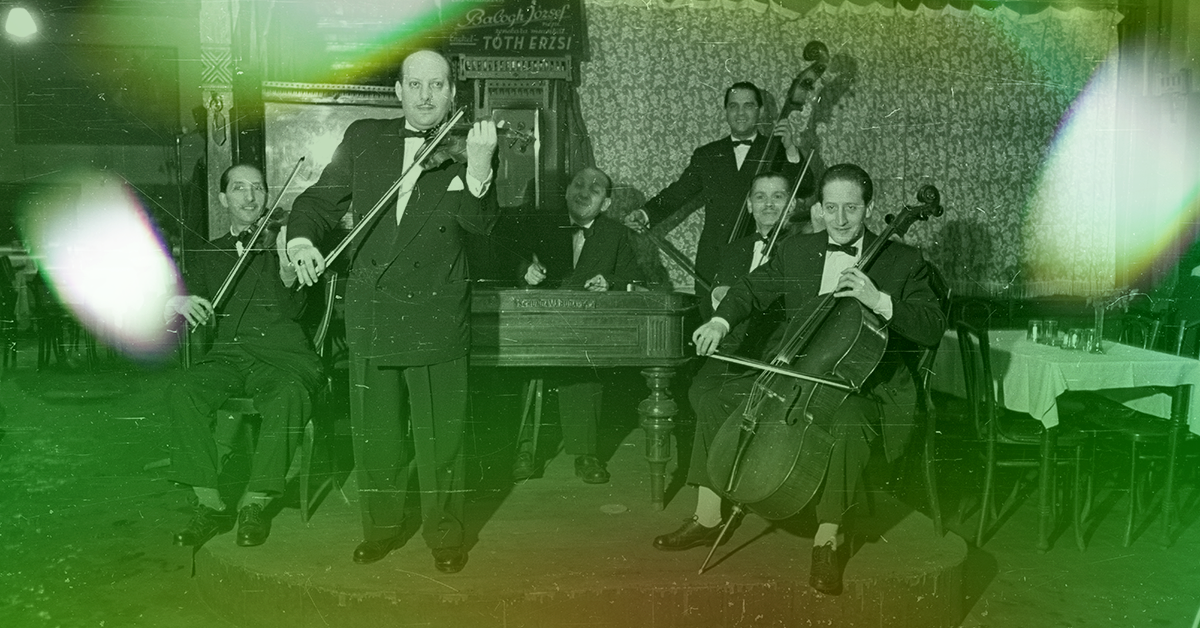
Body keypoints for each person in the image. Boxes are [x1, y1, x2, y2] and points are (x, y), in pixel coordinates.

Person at [653, 164, 946, 596]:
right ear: (820, 209)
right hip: (794, 374)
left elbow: (932, 327)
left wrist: (878, 299)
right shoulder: (798, 249)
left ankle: (827, 538)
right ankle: (709, 514)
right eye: (831, 208)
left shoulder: (903, 261)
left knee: (848, 422)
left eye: (851, 208)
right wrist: (719, 321)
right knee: (716, 397)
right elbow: (750, 288)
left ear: (868, 208)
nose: (840, 219)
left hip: (862, 384)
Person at [286, 49, 498, 574]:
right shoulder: (364, 137)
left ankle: (445, 535)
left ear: (453, 92)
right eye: (415, 84)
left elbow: (481, 227)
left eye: (437, 85)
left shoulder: (474, 146)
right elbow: (317, 201)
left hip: (437, 312)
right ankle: (380, 529)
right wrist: (301, 242)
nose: (426, 95)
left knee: (442, 440)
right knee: (376, 435)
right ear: (398, 91)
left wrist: (478, 168)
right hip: (374, 310)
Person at [165, 163, 322, 549]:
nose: (250, 197)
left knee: (287, 394)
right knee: (182, 390)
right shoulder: (208, 252)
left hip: (281, 355)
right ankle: (210, 503)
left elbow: (299, 310)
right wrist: (178, 301)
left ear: (267, 195)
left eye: (258, 188)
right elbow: (185, 297)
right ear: (223, 198)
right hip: (228, 357)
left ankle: (256, 501)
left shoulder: (287, 244)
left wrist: (289, 271)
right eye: (239, 188)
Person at [624, 81, 823, 298]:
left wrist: (791, 149)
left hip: (762, 254)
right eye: (733, 106)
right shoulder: (707, 154)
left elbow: (805, 188)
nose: (740, 113)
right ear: (726, 111)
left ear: (760, 110)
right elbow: (678, 192)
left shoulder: (777, 148)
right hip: (714, 258)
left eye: (748, 105)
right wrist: (646, 213)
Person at [515, 166, 645, 484]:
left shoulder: (615, 234)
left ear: (605, 204)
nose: (584, 192)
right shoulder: (541, 223)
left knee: (583, 369)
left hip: (583, 329)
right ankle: (524, 452)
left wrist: (610, 282)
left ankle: (586, 454)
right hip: (539, 324)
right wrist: (525, 270)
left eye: (595, 189)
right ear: (567, 190)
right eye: (578, 184)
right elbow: (510, 259)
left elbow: (635, 279)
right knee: (523, 369)